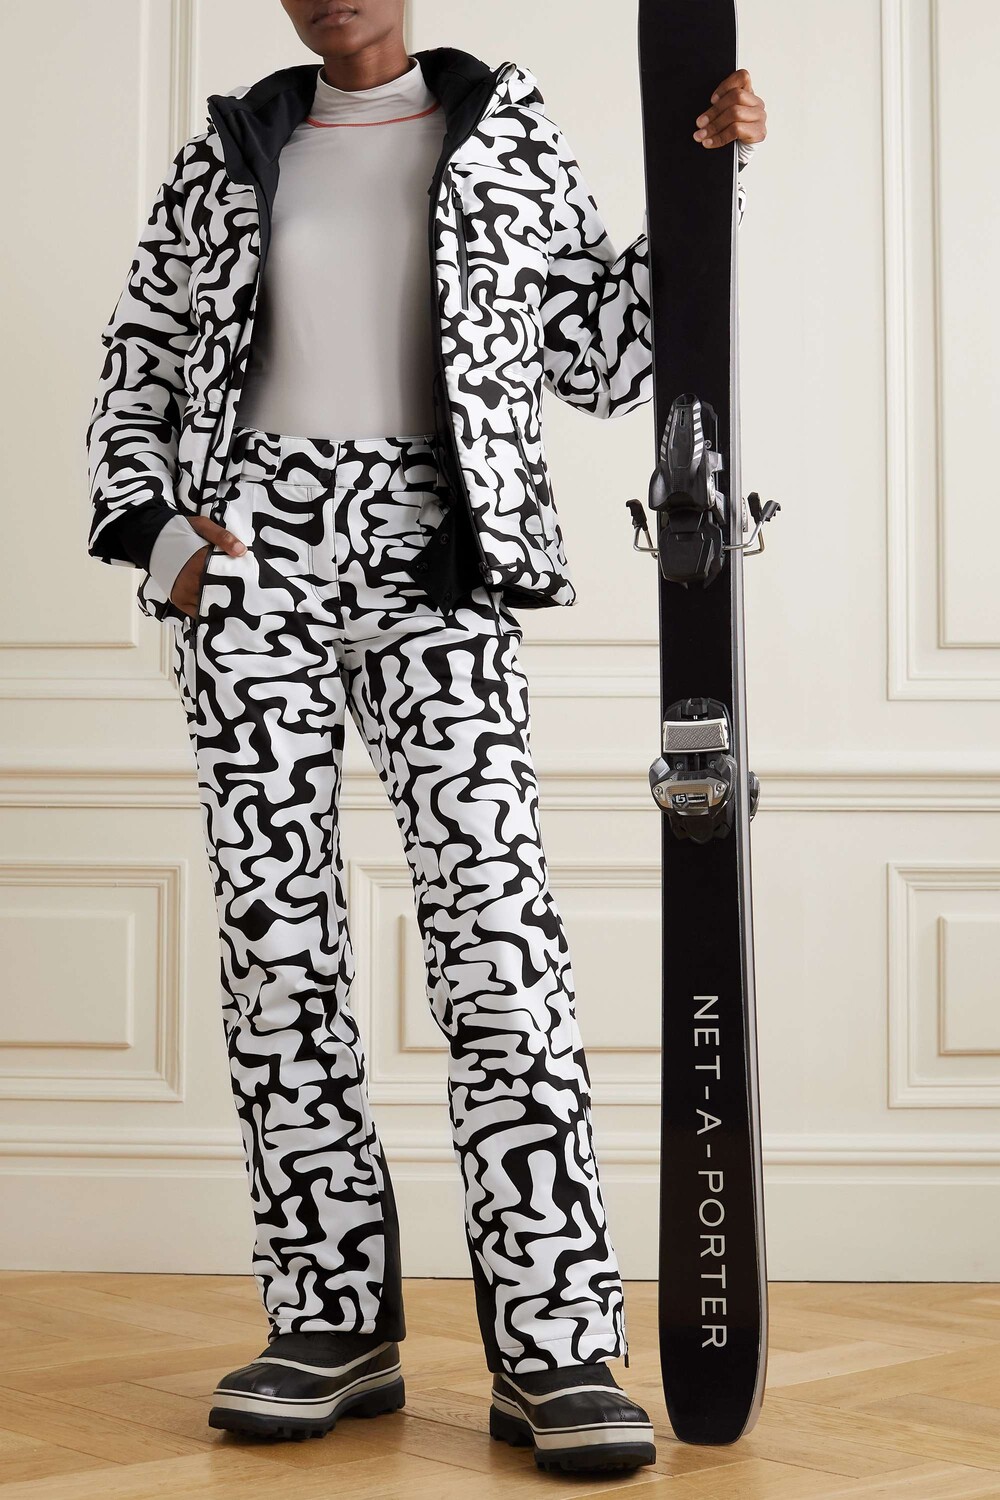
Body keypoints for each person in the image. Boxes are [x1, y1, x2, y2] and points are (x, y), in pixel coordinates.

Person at [86, 0, 766, 1475]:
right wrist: (163, 540)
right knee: (279, 953)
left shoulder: (504, 136)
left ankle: (556, 1342)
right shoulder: (227, 153)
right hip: (251, 565)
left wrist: (710, 183)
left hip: (442, 561)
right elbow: (138, 357)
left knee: (495, 942)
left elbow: (606, 360)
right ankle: (328, 1321)